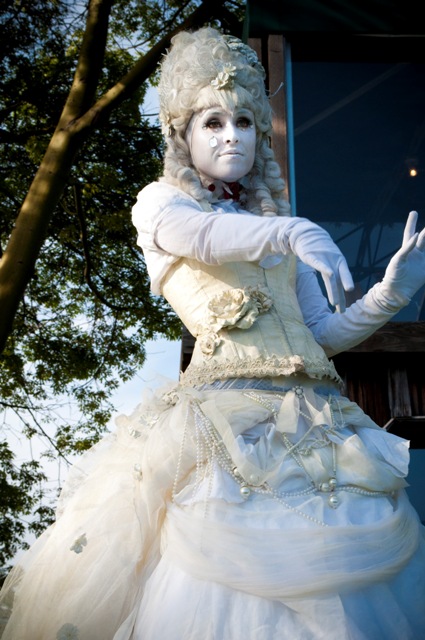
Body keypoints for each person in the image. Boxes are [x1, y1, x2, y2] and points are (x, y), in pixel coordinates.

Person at [1, 26, 425, 640]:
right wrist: (290, 231)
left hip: (319, 421)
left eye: (246, 122)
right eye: (213, 121)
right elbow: (201, 238)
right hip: (223, 425)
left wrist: (394, 292)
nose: (233, 136)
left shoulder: (276, 226)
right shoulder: (159, 205)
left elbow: (323, 335)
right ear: (183, 134)